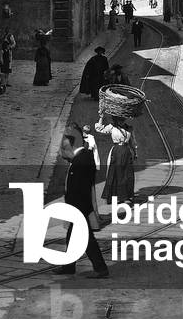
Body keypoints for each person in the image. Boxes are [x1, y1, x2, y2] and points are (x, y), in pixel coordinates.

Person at [52, 134, 109, 278]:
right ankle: (69, 266)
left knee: (88, 240)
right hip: (78, 207)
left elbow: (79, 188)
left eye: (62, 149)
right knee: (72, 237)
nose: (61, 154)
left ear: (70, 147)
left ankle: (101, 269)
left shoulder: (81, 161)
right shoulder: (81, 158)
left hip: (79, 207)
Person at [95, 114, 137, 205]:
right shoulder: (112, 127)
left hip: (126, 152)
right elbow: (99, 129)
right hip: (116, 151)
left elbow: (132, 142)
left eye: (122, 119)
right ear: (116, 119)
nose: (121, 121)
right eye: (119, 119)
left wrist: (135, 153)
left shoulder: (129, 128)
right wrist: (101, 118)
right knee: (114, 173)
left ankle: (126, 196)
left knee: (127, 174)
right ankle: (113, 196)